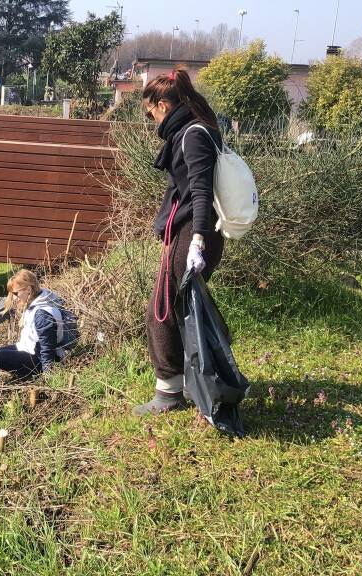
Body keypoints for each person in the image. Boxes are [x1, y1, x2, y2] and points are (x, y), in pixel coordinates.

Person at [133, 69, 226, 416]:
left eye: (150, 112)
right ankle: (199, 380)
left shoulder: (192, 135)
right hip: (189, 232)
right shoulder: (196, 130)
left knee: (162, 311)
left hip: (195, 233)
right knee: (184, 309)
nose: (151, 119)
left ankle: (170, 393)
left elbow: (201, 193)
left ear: (162, 105)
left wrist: (198, 240)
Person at [0, 270, 78, 425]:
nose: (14, 298)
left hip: (36, 360)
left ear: (29, 289)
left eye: (16, 293)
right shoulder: (37, 301)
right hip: (28, 348)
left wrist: (49, 377)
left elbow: (47, 348)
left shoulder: (42, 313)